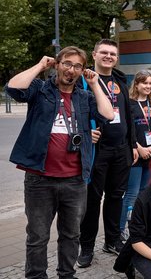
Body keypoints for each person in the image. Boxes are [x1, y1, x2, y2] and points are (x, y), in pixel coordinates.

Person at [6, 49, 113, 279]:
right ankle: (36, 276)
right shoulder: (41, 90)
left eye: (77, 66)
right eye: (66, 63)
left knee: (71, 234)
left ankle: (66, 274)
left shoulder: (84, 97)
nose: (71, 69)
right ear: (57, 65)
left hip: (74, 180)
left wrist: (94, 84)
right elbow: (14, 88)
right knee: (38, 236)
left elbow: (108, 114)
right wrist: (39, 66)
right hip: (40, 179)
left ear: (82, 70)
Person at [79, 39, 137, 266]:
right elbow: (74, 111)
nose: (108, 56)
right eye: (104, 52)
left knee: (116, 197)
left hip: (121, 149)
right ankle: (86, 247)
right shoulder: (83, 81)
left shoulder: (121, 82)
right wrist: (86, 132)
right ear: (94, 55)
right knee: (92, 200)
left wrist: (132, 144)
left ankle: (112, 240)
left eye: (112, 53)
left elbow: (128, 116)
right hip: (97, 150)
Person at [120, 70, 151, 243]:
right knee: (131, 194)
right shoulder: (129, 104)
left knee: (143, 193)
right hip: (135, 155)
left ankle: (137, 226)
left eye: (150, 84)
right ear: (137, 85)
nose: (148, 86)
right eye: (144, 83)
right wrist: (138, 148)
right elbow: (127, 131)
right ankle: (121, 229)